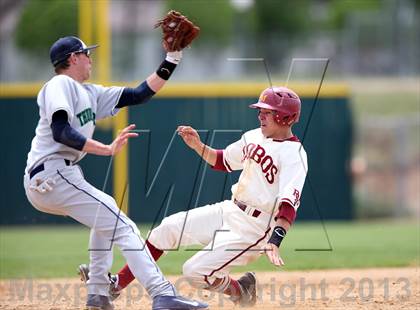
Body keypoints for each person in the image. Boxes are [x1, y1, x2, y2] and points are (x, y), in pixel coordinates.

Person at [23, 35, 208, 310]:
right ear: (73, 58)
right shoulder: (59, 85)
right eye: (86, 54)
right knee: (124, 226)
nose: (90, 59)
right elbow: (61, 131)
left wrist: (172, 58)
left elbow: (140, 94)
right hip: (51, 174)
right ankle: (162, 293)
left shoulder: (89, 93)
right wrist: (106, 149)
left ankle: (98, 294)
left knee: (106, 220)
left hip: (59, 175)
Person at [79, 86, 308, 306]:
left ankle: (241, 290)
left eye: (267, 112)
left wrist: (275, 241)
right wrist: (198, 146)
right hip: (230, 209)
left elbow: (288, 205)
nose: (260, 116)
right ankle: (116, 285)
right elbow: (223, 161)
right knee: (167, 229)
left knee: (194, 272)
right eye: (260, 111)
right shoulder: (254, 136)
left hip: (255, 228)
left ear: (285, 118)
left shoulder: (294, 154)